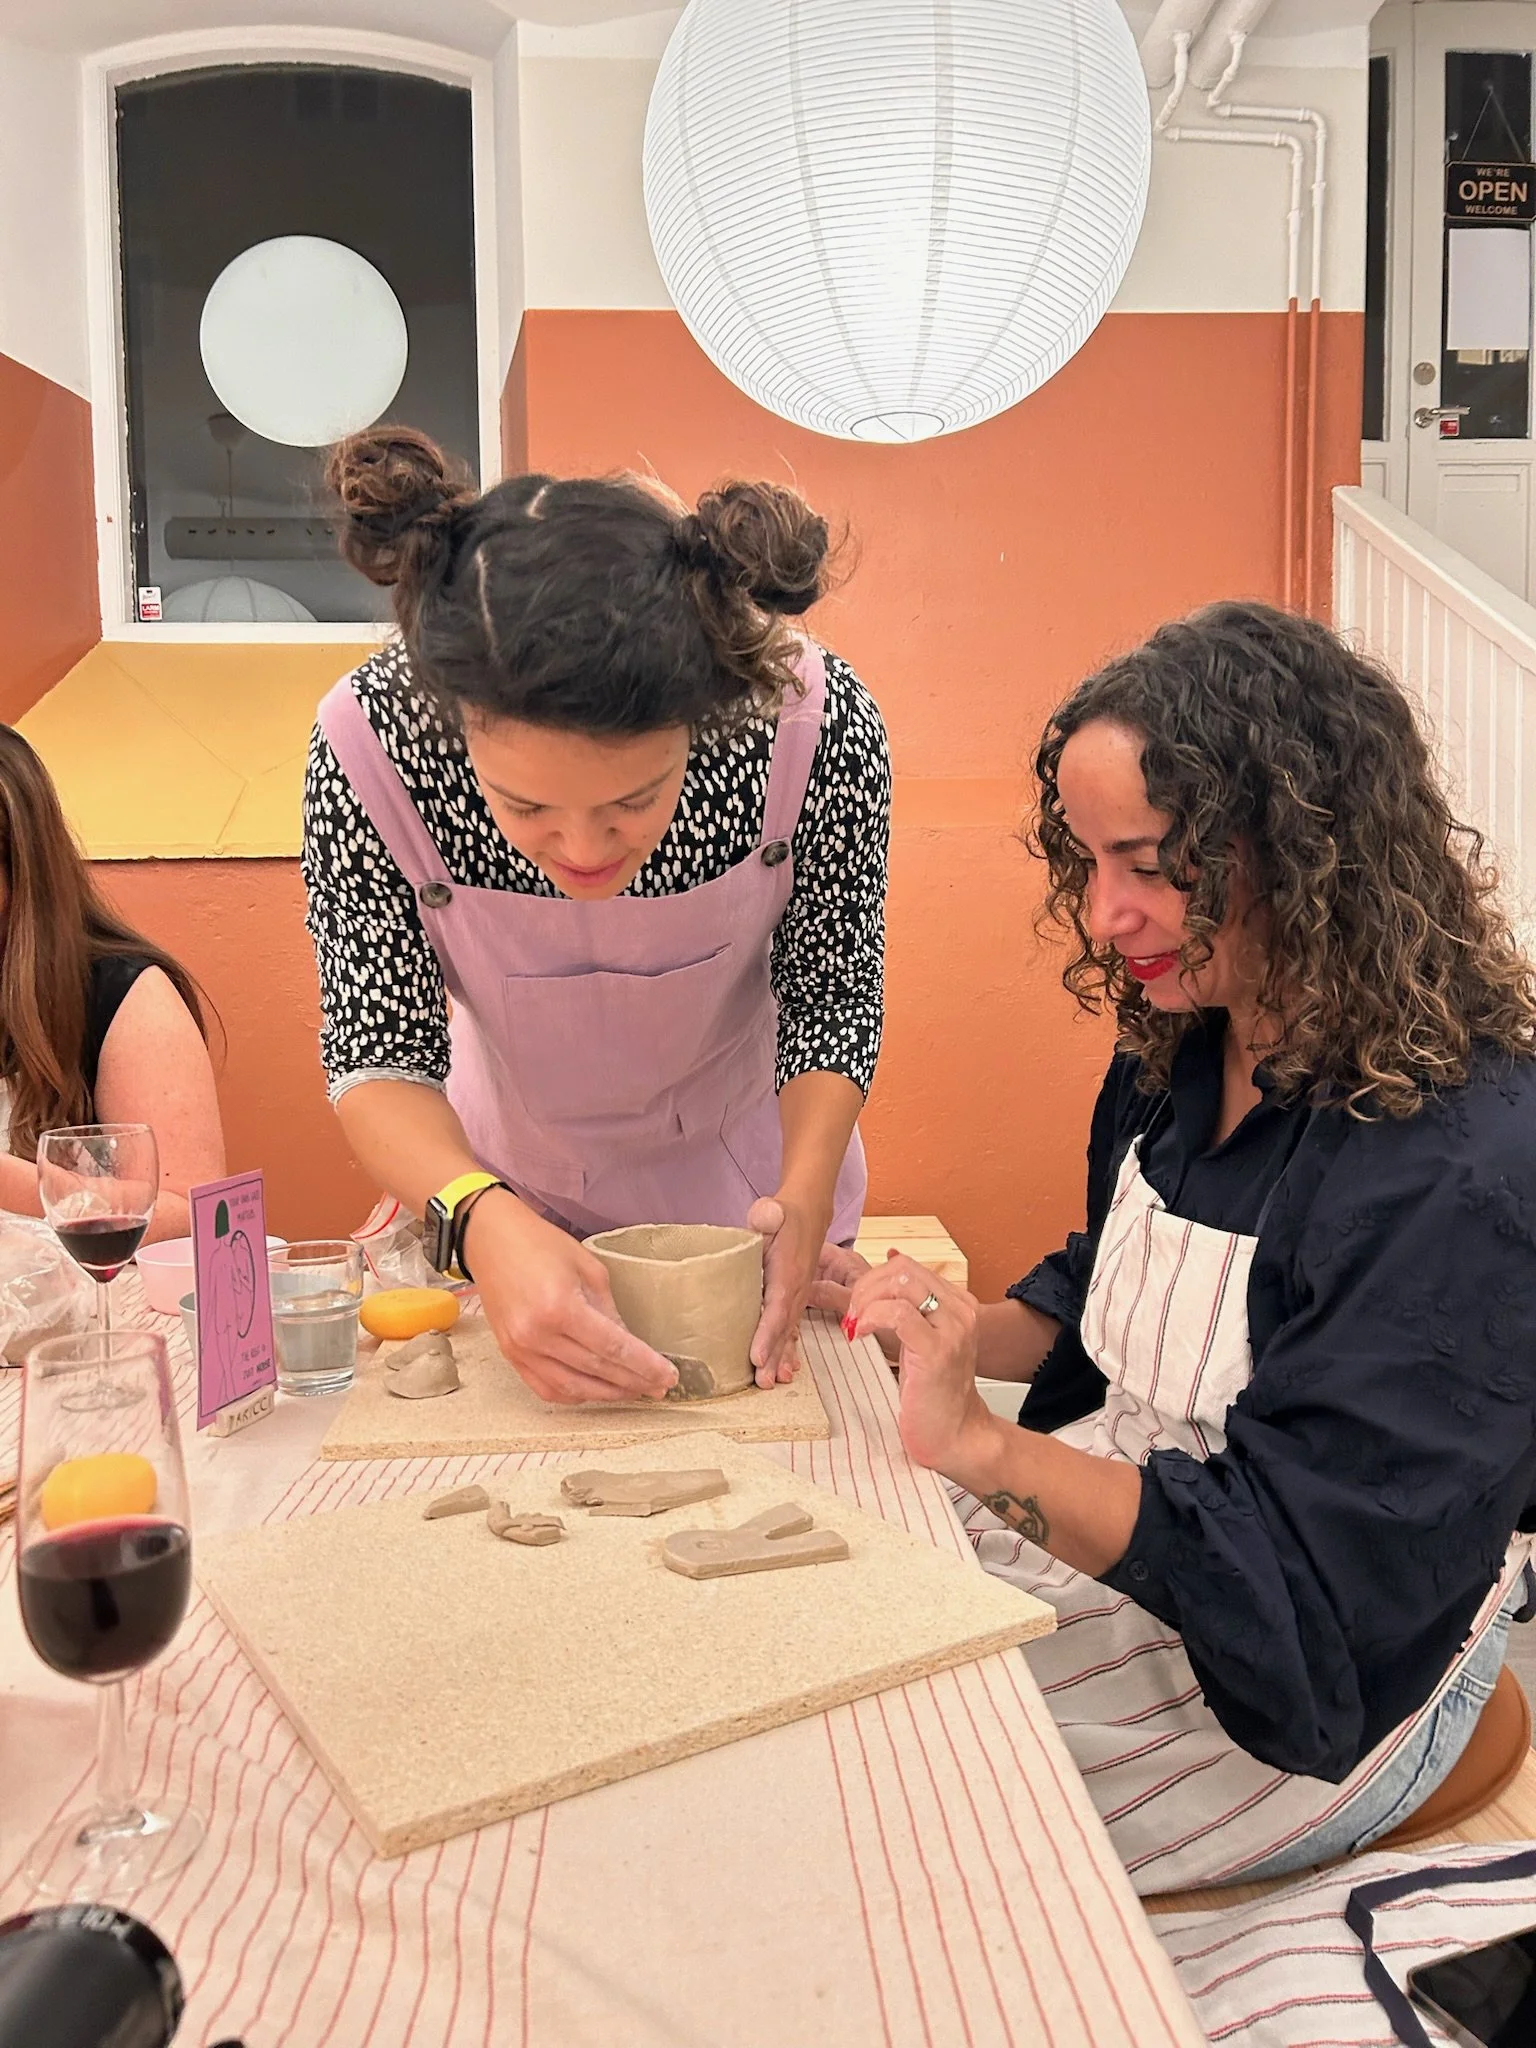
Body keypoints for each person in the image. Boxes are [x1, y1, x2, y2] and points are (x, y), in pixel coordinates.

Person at [834, 602, 1536, 1896]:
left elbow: (1309, 1583)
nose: (1105, 916)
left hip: (1318, 1658)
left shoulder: (1458, 1165)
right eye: (1089, 861)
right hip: (1153, 1525)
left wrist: (986, 1450)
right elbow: (1106, 1282)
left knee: (917, 1842)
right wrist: (946, 1326)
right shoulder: (1180, 1050)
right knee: (831, 1689)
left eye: (1150, 863)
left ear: (1308, 852)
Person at [303, 428, 889, 1409]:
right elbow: (378, 1054)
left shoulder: (807, 725)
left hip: (746, 1203)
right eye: (526, 806)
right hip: (502, 1197)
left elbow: (833, 993)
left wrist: (805, 1192)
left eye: (634, 798)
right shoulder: (375, 743)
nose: (581, 848)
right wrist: (475, 1220)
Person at [0, 726, 224, 1239]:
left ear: (21, 867)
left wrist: (12, 1183)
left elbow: (195, 1220)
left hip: (83, 1311)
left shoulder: (126, 995)